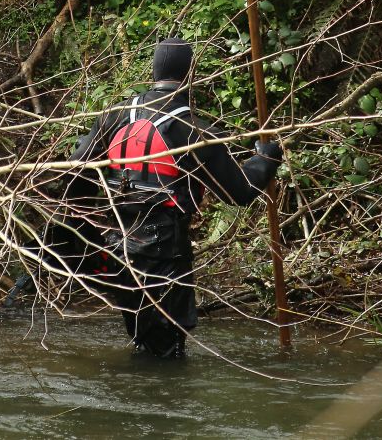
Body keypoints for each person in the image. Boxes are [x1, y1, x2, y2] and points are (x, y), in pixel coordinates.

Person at [63, 37, 283, 358]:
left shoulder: (114, 117)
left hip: (117, 252)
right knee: (165, 355)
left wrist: (88, 229)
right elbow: (239, 193)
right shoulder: (194, 131)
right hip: (164, 257)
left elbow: (75, 176)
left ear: (154, 71)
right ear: (191, 76)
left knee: (145, 342)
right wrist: (266, 158)